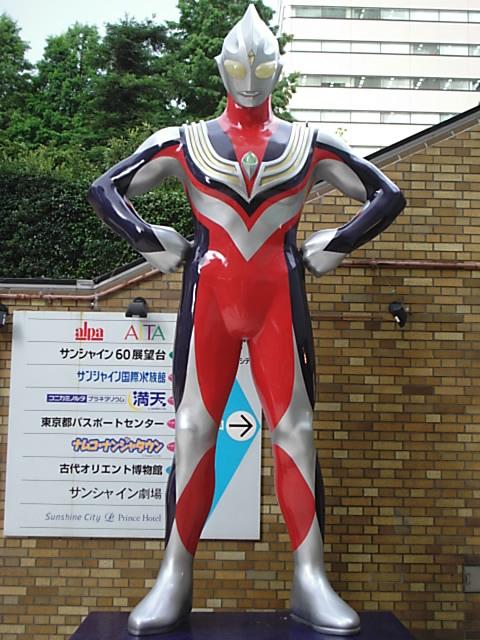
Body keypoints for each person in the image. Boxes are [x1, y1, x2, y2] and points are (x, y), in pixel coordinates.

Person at [88, 5, 405, 636]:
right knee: (191, 430)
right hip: (210, 293)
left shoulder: (307, 143)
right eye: (240, 66)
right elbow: (106, 189)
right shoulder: (185, 141)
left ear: (277, 70)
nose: (251, 78)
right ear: (222, 68)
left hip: (277, 298)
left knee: (297, 431)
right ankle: (175, 574)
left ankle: (310, 575)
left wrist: (339, 243)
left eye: (262, 67)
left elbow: (386, 194)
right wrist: (149, 240)